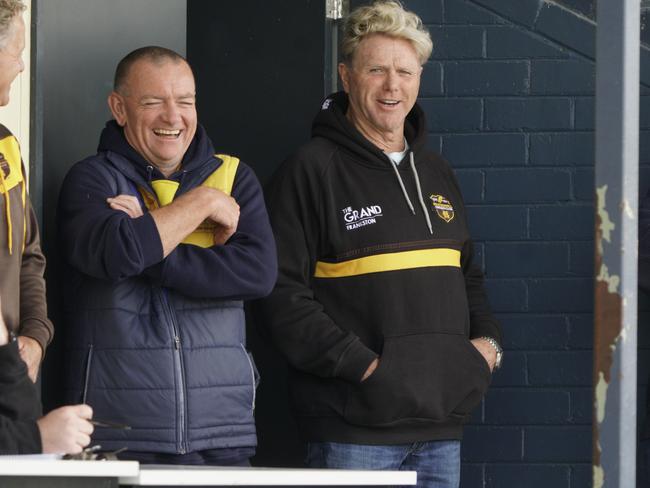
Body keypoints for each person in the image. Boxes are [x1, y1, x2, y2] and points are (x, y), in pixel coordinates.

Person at [255, 2, 502, 486]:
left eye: (405, 72)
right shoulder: (310, 170)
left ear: (419, 79)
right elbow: (280, 295)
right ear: (346, 76)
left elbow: (467, 275)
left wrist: (487, 348)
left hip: (441, 429)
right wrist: (368, 369)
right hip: (351, 433)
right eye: (377, 70)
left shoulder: (436, 173)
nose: (393, 86)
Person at [57, 46, 277, 465]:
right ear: (119, 109)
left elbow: (257, 273)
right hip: (121, 437)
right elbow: (117, 254)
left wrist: (151, 241)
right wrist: (199, 206)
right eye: (153, 102)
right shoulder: (91, 178)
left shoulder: (233, 177)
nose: (173, 117)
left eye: (185, 102)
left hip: (222, 434)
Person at [0, 0, 93, 455]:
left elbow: (29, 257)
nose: (21, 64)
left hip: (11, 375)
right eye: (16, 50)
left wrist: (36, 336)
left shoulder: (6, 149)